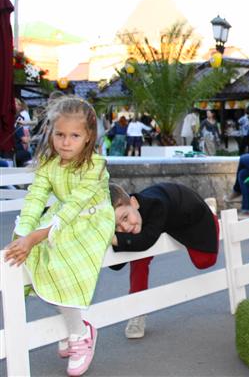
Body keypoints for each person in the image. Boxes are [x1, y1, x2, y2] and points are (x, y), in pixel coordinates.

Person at [3, 96, 114, 376]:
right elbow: (35, 200)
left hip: (90, 219)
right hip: (58, 217)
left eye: (74, 135)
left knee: (61, 262)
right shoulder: (49, 164)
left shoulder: (95, 165)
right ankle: (75, 326)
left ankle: (80, 335)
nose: (66, 142)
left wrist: (34, 238)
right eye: (60, 134)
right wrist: (23, 234)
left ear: (88, 137)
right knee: (27, 257)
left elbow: (73, 207)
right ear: (51, 132)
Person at [109, 182, 219, 339]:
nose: (125, 228)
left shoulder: (157, 206)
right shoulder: (131, 217)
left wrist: (114, 239)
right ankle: (137, 310)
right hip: (159, 222)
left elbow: (146, 241)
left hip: (188, 212)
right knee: (138, 259)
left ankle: (210, 211)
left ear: (133, 203)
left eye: (125, 218)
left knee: (204, 261)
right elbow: (116, 265)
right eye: (116, 227)